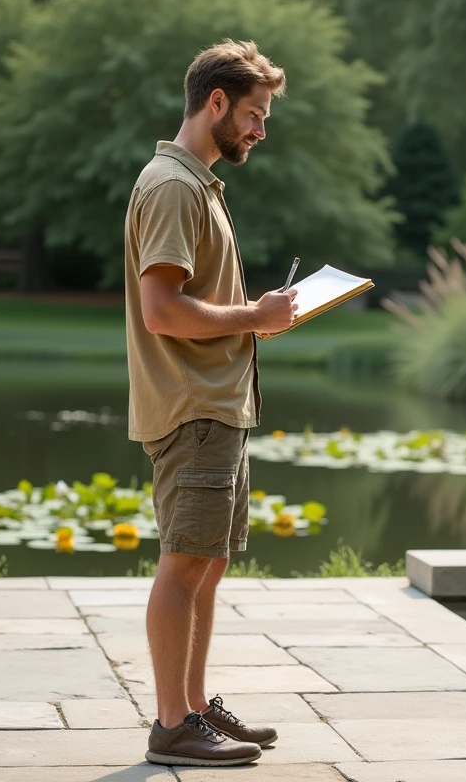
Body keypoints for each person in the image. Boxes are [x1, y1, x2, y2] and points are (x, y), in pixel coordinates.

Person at [123, 39, 297, 767]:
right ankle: (171, 726)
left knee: (209, 562)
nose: (260, 130)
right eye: (253, 114)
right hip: (193, 408)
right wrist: (255, 316)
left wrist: (260, 314)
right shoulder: (172, 185)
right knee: (183, 562)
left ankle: (193, 708)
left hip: (220, 408)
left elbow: (197, 303)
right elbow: (163, 311)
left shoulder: (201, 185)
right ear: (216, 102)